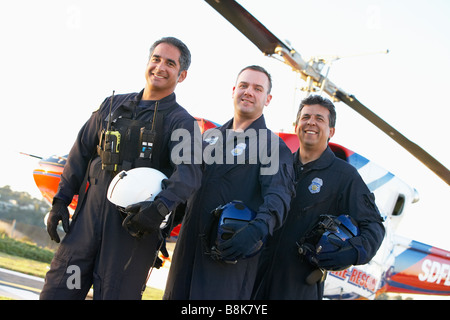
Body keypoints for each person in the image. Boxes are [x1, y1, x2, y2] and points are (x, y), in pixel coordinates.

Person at [40, 37, 202, 300]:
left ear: (181, 75)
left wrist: (160, 208)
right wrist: (60, 201)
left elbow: (189, 173)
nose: (160, 67)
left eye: (170, 63)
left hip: (132, 236)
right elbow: (80, 152)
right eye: (156, 59)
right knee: (59, 292)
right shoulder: (112, 105)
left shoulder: (181, 122)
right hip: (85, 228)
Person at [163, 65, 295, 299]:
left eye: (257, 88)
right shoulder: (207, 139)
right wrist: (161, 230)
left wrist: (256, 230)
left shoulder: (273, 147)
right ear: (234, 90)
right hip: (185, 257)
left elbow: (278, 197)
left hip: (227, 260)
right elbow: (185, 190)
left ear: (268, 99)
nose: (248, 92)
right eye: (243, 85)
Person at [252, 94, 385, 300]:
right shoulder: (279, 166)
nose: (311, 122)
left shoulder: (345, 176)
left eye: (319, 119)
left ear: (331, 131)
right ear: (296, 125)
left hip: (299, 289)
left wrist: (351, 252)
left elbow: (374, 225)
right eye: (305, 117)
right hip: (254, 283)